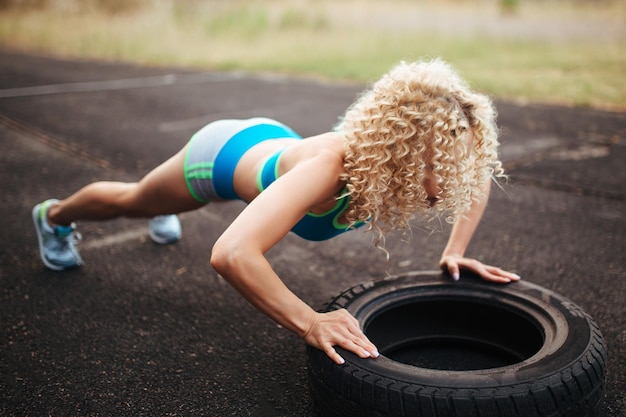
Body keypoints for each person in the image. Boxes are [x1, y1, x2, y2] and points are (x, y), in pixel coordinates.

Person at [32, 59, 521, 365]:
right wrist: (311, 322)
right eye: (436, 168)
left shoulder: (425, 168)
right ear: (400, 150)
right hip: (219, 156)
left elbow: (473, 181)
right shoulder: (330, 168)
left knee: (155, 208)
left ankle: (161, 215)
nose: (444, 184)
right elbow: (231, 252)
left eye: (451, 168)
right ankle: (53, 216)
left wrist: (455, 252)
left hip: (274, 142)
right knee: (133, 201)